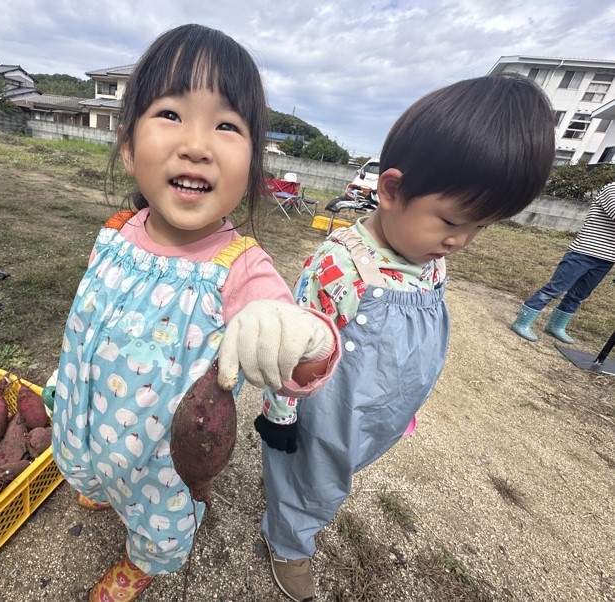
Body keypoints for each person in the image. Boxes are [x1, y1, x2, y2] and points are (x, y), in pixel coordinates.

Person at [50, 24, 340, 602]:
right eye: (171, 114)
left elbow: (309, 353)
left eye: (227, 126)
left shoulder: (242, 268)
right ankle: (101, 481)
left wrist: (298, 335)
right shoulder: (116, 231)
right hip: (88, 403)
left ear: (253, 166)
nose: (198, 144)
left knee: (157, 513)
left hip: (164, 451)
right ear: (129, 150)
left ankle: (144, 560)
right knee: (84, 460)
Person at [257, 73, 556, 602]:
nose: (460, 241)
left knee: (332, 478)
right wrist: (279, 416)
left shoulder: (426, 252)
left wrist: (402, 397)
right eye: (451, 221)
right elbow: (292, 351)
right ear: (391, 190)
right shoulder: (342, 267)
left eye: (481, 227)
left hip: (379, 409)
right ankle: (287, 542)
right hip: (331, 413)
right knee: (313, 479)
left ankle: (297, 507)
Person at [511, 181, 615, 343]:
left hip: (607, 258)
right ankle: (522, 322)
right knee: (554, 289)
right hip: (584, 252)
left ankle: (556, 326)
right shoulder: (612, 188)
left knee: (579, 295)